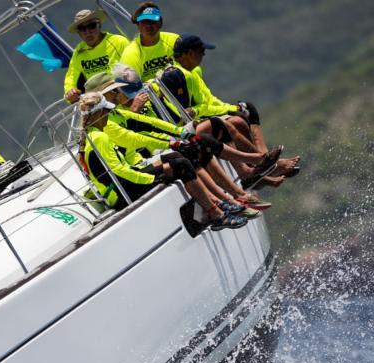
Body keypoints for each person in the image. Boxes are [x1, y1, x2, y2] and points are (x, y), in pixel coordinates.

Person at [84, 71, 267, 215]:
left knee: (197, 143)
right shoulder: (104, 128)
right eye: (114, 90)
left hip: (139, 162)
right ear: (101, 100)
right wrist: (172, 145)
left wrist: (182, 134)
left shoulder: (114, 114)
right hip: (133, 172)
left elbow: (151, 124)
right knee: (186, 155)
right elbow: (135, 139)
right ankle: (224, 203)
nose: (118, 94)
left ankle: (238, 191)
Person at [78, 92, 247, 230]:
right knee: (181, 165)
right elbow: (118, 170)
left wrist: (178, 136)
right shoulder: (99, 137)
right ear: (99, 113)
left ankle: (216, 204)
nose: (108, 115)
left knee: (176, 157)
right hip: (122, 191)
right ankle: (216, 214)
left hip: (124, 184)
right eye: (106, 111)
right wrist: (151, 178)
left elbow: (148, 124)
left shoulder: (93, 134)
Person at [170, 33, 301, 182]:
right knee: (231, 123)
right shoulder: (180, 76)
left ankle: (264, 160)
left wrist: (230, 108)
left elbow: (209, 99)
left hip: (203, 115)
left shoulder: (193, 72)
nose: (204, 54)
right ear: (189, 53)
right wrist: (228, 110)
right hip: (193, 123)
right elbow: (196, 108)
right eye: (201, 51)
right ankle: (268, 166)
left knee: (246, 110)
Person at [64, 9, 129, 103]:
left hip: (123, 95)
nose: (88, 32)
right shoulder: (79, 51)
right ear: (78, 33)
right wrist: (69, 91)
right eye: (82, 29)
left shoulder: (119, 42)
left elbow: (135, 67)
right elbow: (71, 76)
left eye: (91, 26)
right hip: (99, 102)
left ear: (99, 26)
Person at [119, 2, 179, 83]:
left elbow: (188, 69)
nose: (148, 25)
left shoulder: (175, 41)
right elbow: (130, 88)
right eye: (144, 22)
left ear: (160, 23)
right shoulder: (130, 53)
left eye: (152, 21)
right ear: (138, 25)